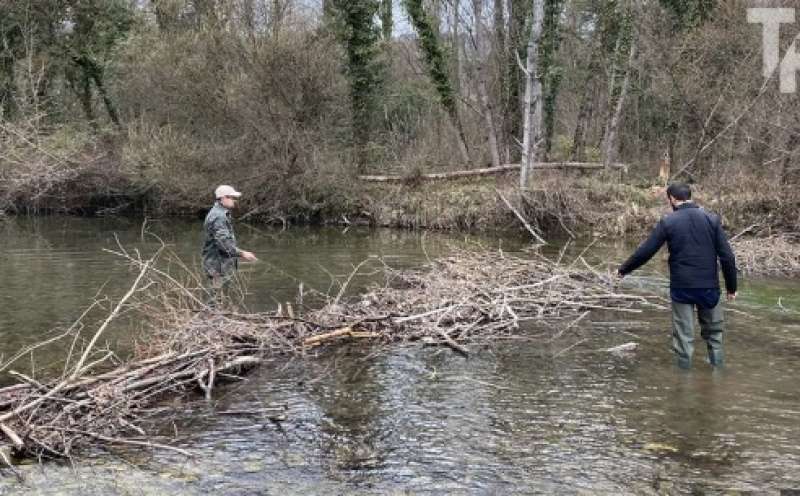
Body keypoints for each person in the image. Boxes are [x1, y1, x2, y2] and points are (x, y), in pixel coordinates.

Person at [617, 182, 737, 368]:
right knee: (714, 334)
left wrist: (624, 269)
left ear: (672, 199)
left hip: (682, 287)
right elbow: (727, 256)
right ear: (690, 196)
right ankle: (717, 375)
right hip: (709, 287)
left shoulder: (669, 222)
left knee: (684, 338)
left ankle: (683, 385)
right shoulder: (711, 219)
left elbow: (646, 251)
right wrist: (731, 287)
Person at [202, 185, 257, 305]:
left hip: (218, 264)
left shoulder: (219, 213)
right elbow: (223, 244)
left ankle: (216, 319)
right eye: (232, 197)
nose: (234, 200)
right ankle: (213, 320)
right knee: (215, 299)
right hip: (217, 266)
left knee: (218, 297)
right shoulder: (219, 217)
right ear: (222, 198)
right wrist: (242, 253)